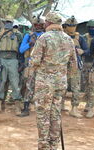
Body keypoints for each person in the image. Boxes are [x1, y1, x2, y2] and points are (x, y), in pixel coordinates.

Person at [31, 12, 78, 149]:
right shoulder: (68, 39)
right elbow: (74, 65)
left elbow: (35, 61)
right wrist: (64, 75)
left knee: (43, 113)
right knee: (56, 113)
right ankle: (54, 145)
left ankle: (44, 145)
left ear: (48, 23)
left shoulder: (44, 38)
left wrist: (34, 69)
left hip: (45, 82)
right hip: (60, 81)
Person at [0, 15, 23, 115]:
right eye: (7, 22)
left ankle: (17, 107)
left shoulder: (18, 34)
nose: (8, 23)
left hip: (13, 59)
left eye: (10, 22)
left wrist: (21, 63)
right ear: (4, 22)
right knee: (1, 81)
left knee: (15, 83)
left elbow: (21, 50)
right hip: (1, 59)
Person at [17, 16, 45, 117]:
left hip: (43, 66)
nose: (38, 27)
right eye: (36, 25)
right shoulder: (28, 36)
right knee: (28, 86)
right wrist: (30, 44)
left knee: (42, 88)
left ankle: (41, 109)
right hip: (30, 65)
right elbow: (21, 50)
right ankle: (25, 108)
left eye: (40, 25)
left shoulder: (46, 36)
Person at [63, 16, 89, 118]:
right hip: (63, 66)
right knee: (61, 86)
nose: (72, 27)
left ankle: (74, 108)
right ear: (65, 26)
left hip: (75, 66)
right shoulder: (62, 36)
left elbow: (87, 50)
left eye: (74, 25)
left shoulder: (80, 38)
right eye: (70, 25)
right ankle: (60, 105)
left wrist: (82, 51)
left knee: (75, 88)